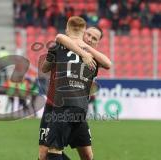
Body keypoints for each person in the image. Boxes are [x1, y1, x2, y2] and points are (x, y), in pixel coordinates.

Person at [39, 17, 111, 160]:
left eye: (94, 39)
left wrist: (86, 50)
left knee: (83, 154)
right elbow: (59, 40)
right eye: (88, 35)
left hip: (69, 106)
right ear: (82, 32)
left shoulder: (92, 57)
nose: (90, 39)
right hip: (53, 106)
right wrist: (82, 52)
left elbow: (108, 63)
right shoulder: (60, 46)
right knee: (45, 154)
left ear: (97, 43)